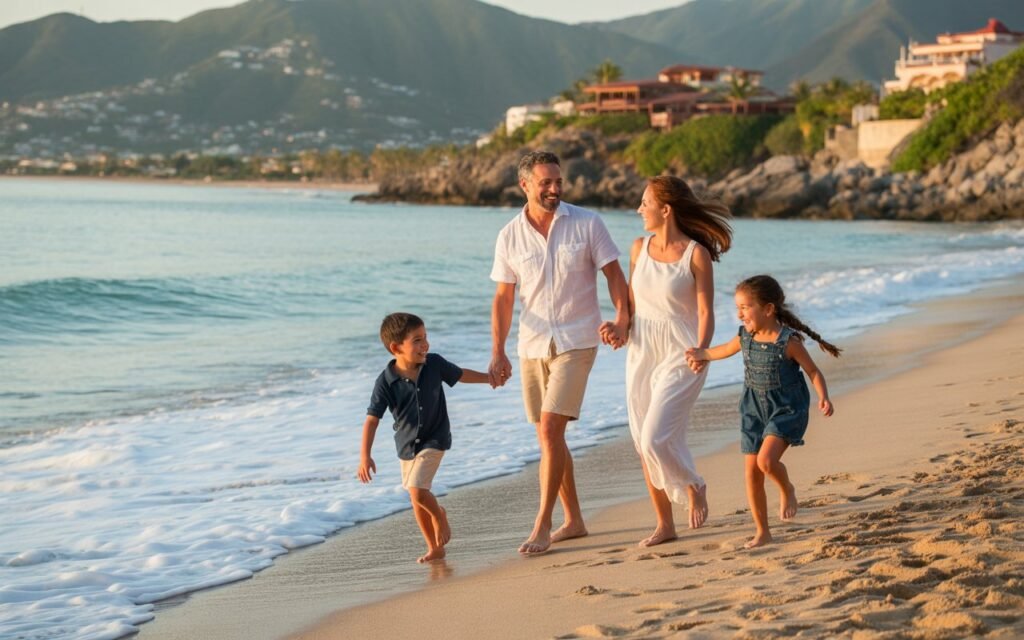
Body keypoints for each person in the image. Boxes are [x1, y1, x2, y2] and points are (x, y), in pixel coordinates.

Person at [489, 150, 630, 555]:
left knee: (551, 429)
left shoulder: (587, 222)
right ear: (525, 185)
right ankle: (575, 520)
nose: (554, 189)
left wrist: (621, 319)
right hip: (532, 344)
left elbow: (614, 274)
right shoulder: (509, 236)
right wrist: (497, 351)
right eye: (545, 182)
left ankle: (542, 523)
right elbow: (503, 297)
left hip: (578, 339)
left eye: (558, 182)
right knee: (549, 436)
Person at [602, 176, 733, 548]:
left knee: (654, 437)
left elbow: (707, 310)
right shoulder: (638, 248)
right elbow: (629, 302)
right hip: (642, 350)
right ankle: (665, 524)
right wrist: (619, 325)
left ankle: (693, 484)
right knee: (643, 444)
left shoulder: (696, 254)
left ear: (665, 209)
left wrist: (703, 349)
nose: (638, 209)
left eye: (645, 203)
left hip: (682, 352)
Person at [685, 275, 841, 548]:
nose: (739, 313)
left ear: (768, 309)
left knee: (766, 462)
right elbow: (722, 350)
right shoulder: (745, 335)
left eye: (745, 307)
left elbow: (813, 371)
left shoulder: (788, 342)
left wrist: (823, 397)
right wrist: (702, 353)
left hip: (786, 409)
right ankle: (762, 532)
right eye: (738, 307)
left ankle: (787, 488)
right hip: (753, 411)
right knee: (752, 474)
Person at [358, 312, 490, 563]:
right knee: (415, 498)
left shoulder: (435, 364)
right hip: (406, 446)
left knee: (418, 491)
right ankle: (435, 547)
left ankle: (439, 515)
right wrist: (365, 456)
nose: (425, 344)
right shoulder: (386, 382)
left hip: (435, 439)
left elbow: (460, 375)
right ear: (396, 347)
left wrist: (489, 378)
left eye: (425, 337)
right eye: (417, 340)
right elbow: (372, 419)